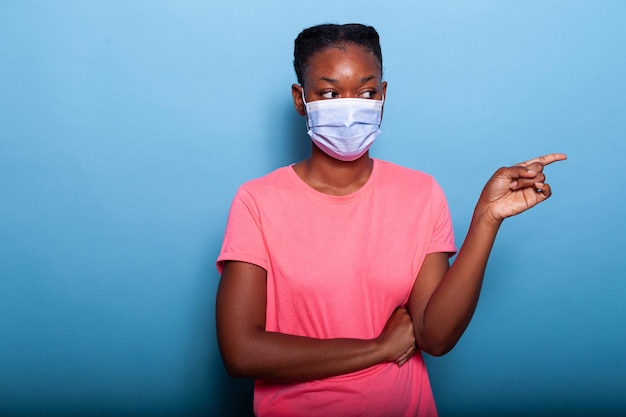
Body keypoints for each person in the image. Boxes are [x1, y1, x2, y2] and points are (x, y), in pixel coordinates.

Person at [215, 23, 566, 417]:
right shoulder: (257, 201)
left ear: (383, 96)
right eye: (329, 93)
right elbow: (241, 353)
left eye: (366, 92)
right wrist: (378, 349)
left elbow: (434, 337)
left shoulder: (421, 193)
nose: (349, 107)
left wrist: (487, 218)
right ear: (301, 99)